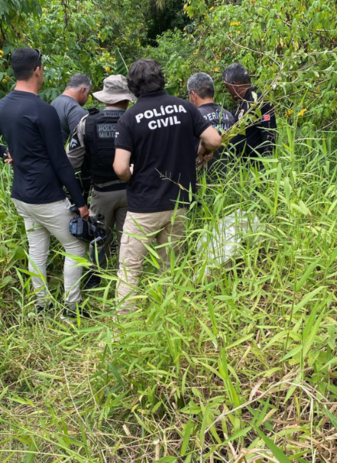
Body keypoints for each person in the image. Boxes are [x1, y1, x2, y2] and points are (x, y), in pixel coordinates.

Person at [113, 59, 222, 312]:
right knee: (171, 266)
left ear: (133, 86)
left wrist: (132, 176)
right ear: (161, 79)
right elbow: (215, 139)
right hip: (179, 203)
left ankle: (125, 328)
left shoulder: (129, 118)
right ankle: (170, 317)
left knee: (130, 269)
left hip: (143, 207)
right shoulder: (185, 108)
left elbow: (120, 167)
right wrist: (202, 150)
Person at [0, 48, 89, 318]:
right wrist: (80, 202)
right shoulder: (43, 110)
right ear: (37, 70)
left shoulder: (3, 105)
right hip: (46, 197)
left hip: (21, 196)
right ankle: (71, 309)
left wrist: (5, 152)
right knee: (76, 246)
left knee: (37, 248)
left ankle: (42, 306)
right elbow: (61, 162)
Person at [67, 75, 136, 286]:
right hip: (131, 190)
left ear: (105, 97)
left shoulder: (87, 122)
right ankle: (126, 281)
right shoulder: (135, 120)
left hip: (101, 191)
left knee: (98, 238)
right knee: (129, 239)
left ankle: (96, 278)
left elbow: (73, 161)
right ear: (126, 97)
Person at [222, 63, 277, 164]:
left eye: (227, 87)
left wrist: (266, 165)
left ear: (234, 85)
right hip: (242, 168)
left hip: (255, 167)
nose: (228, 91)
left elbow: (269, 133)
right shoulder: (243, 102)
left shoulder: (260, 100)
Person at [187, 72, 236, 175]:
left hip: (202, 179)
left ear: (193, 94)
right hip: (229, 178)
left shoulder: (193, 116)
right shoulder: (229, 116)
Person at [51, 73, 91, 146]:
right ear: (83, 90)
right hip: (66, 155)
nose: (87, 98)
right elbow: (81, 144)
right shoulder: (76, 110)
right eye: (88, 94)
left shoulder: (53, 103)